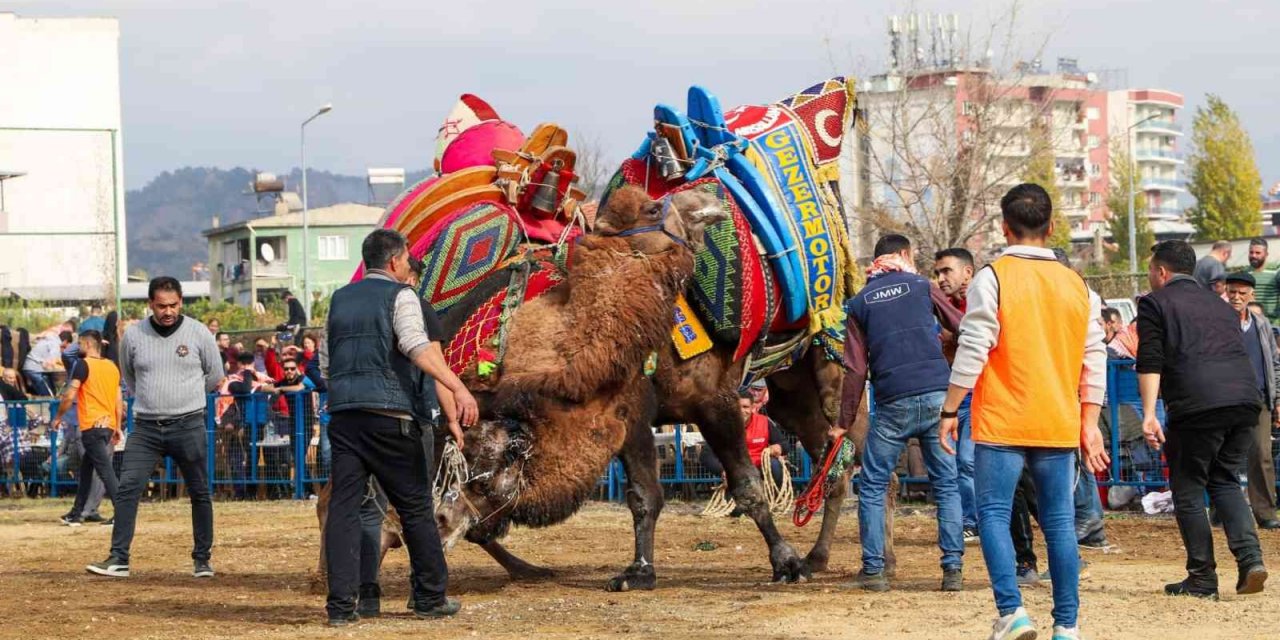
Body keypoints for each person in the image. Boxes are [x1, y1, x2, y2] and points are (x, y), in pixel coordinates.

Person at [938, 183, 1109, 640]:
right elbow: (1095, 357)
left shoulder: (992, 278)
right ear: (1051, 227)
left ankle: (1012, 612)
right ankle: (1067, 625)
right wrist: (1089, 422)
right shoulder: (1079, 286)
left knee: (993, 513)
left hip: (1002, 419)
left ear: (1004, 227)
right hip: (1058, 421)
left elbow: (973, 347)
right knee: (1059, 523)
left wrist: (950, 409)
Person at [322, 228, 478, 625]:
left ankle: (341, 606)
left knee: (345, 511)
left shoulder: (339, 299)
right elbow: (415, 345)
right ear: (394, 262)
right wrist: (456, 386)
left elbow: (327, 362)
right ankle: (429, 597)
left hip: (344, 417)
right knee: (414, 509)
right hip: (392, 418)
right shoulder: (402, 295)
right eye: (407, 259)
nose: (409, 266)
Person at [1137, 240, 1268, 599]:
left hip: (1198, 405)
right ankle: (1250, 559)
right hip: (1244, 401)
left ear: (1161, 272)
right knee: (1224, 480)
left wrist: (1149, 414)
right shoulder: (1222, 305)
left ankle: (1202, 578)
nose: (1150, 276)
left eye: (1150, 269)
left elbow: (1149, 360)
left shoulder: (1154, 303)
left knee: (1189, 487)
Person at [835, 234, 964, 593]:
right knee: (947, 484)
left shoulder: (859, 303)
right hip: (939, 397)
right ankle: (952, 570)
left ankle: (874, 572)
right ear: (905, 254)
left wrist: (842, 423)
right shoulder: (922, 286)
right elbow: (960, 323)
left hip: (893, 403)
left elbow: (855, 369)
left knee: (873, 486)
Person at [86, 277, 224, 579]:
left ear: (181, 302)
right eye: (161, 306)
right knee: (127, 488)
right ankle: (118, 558)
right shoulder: (134, 335)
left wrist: (186, 395)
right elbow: (131, 376)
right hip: (146, 428)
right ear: (151, 304)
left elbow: (215, 375)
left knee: (200, 491)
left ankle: (202, 559)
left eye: (173, 305)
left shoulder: (199, 333)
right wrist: (154, 398)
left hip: (189, 424)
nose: (168, 311)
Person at [1222, 273, 1280, 530]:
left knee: (1261, 454)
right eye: (1232, 292)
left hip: (1258, 397)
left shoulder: (1262, 324)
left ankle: (1265, 511)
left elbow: (1274, 363)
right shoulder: (1217, 321)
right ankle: (1221, 508)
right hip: (1224, 398)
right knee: (1222, 454)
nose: (1236, 297)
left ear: (1251, 295)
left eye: (1242, 293)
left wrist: (1276, 398)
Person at [50, 331, 121, 526]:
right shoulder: (112, 367)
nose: (79, 347)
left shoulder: (83, 365)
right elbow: (118, 398)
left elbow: (69, 394)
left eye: (80, 344)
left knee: (105, 471)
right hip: (107, 425)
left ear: (88, 344)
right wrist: (117, 425)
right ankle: (76, 513)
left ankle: (122, 512)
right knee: (87, 470)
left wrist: (58, 417)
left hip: (91, 425)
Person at [934, 247, 979, 543]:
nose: (940, 279)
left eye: (946, 271)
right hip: (952, 391)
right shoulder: (941, 305)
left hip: (979, 390)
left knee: (968, 460)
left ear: (967, 272)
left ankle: (976, 521)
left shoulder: (982, 299)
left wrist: (956, 336)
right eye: (937, 273)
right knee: (953, 462)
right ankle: (968, 520)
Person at [699, 390, 791, 489]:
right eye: (737, 407)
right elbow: (706, 455)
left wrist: (779, 447)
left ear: (752, 408)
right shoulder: (721, 426)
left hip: (760, 467)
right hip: (736, 471)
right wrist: (723, 470)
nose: (741, 411)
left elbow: (785, 444)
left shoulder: (764, 422)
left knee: (774, 465)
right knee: (737, 502)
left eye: (745, 407)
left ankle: (774, 498)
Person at [1245, 238, 1280, 320]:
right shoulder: (1245, 273)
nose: (1254, 255)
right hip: (1251, 323)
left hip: (1273, 324)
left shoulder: (1276, 270)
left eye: (1258, 253)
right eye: (1251, 252)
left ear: (1266, 254)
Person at [21, 331, 62, 396]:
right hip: (34, 369)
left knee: (51, 390)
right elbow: (48, 363)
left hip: (30, 367)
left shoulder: (47, 341)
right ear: (65, 342)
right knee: (48, 394)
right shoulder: (56, 344)